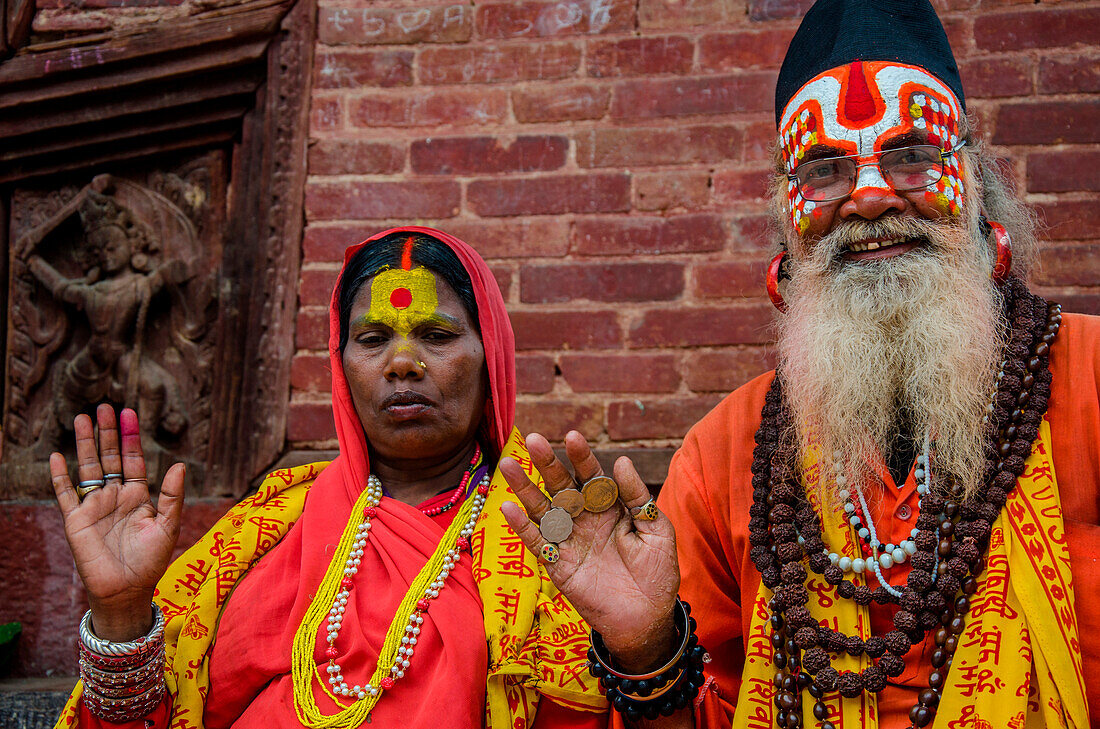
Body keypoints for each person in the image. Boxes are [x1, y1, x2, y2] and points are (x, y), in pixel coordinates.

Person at [500, 1, 1097, 728]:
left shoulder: (1089, 379)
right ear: (788, 214)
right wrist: (646, 645)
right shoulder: (725, 454)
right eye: (825, 170)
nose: (871, 198)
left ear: (974, 185)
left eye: (911, 156)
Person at [50, 227, 607, 728]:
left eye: (437, 335)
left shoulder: (558, 531)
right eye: (372, 339)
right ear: (340, 367)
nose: (403, 362)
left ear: (494, 360)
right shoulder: (267, 524)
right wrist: (121, 616)